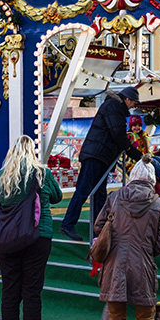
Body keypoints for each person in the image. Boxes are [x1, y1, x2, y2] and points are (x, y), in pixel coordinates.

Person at [0, 135, 62, 320]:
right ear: (32, 153)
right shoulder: (42, 174)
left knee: (9, 294)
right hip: (38, 238)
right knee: (31, 293)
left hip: (7, 241)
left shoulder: (1, 177)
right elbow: (57, 196)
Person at [96, 156, 160, 320]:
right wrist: (146, 251)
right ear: (151, 179)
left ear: (132, 176)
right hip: (143, 269)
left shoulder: (114, 198)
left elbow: (99, 228)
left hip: (114, 268)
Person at [60, 86, 144, 241]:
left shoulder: (113, 107)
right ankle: (68, 224)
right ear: (126, 99)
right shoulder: (113, 107)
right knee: (84, 190)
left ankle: (98, 228)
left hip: (99, 154)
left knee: (98, 193)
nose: (133, 106)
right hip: (97, 154)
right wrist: (135, 153)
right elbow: (117, 134)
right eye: (133, 102)